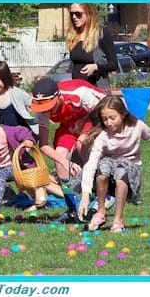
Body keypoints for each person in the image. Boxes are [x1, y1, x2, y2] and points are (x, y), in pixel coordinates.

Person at [78, 95, 150, 233]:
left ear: (123, 114)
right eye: (105, 119)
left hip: (130, 165)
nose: (108, 123)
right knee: (102, 169)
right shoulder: (103, 136)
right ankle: (100, 212)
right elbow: (91, 163)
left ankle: (118, 219)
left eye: (112, 118)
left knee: (121, 173)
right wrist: (86, 194)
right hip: (110, 164)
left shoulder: (136, 126)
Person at [31, 77, 106, 223]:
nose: (46, 111)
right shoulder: (41, 109)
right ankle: (73, 209)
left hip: (93, 116)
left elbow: (104, 114)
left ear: (58, 96)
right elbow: (44, 145)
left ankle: (103, 196)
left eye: (49, 106)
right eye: (43, 108)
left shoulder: (79, 93)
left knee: (82, 144)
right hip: (68, 125)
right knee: (59, 158)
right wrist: (65, 162)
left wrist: (84, 129)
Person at [67, 3, 118, 89]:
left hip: (97, 89)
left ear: (89, 13)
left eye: (78, 14)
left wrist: (96, 67)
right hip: (78, 90)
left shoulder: (102, 33)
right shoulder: (72, 35)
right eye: (72, 14)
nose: (74, 17)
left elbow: (114, 64)